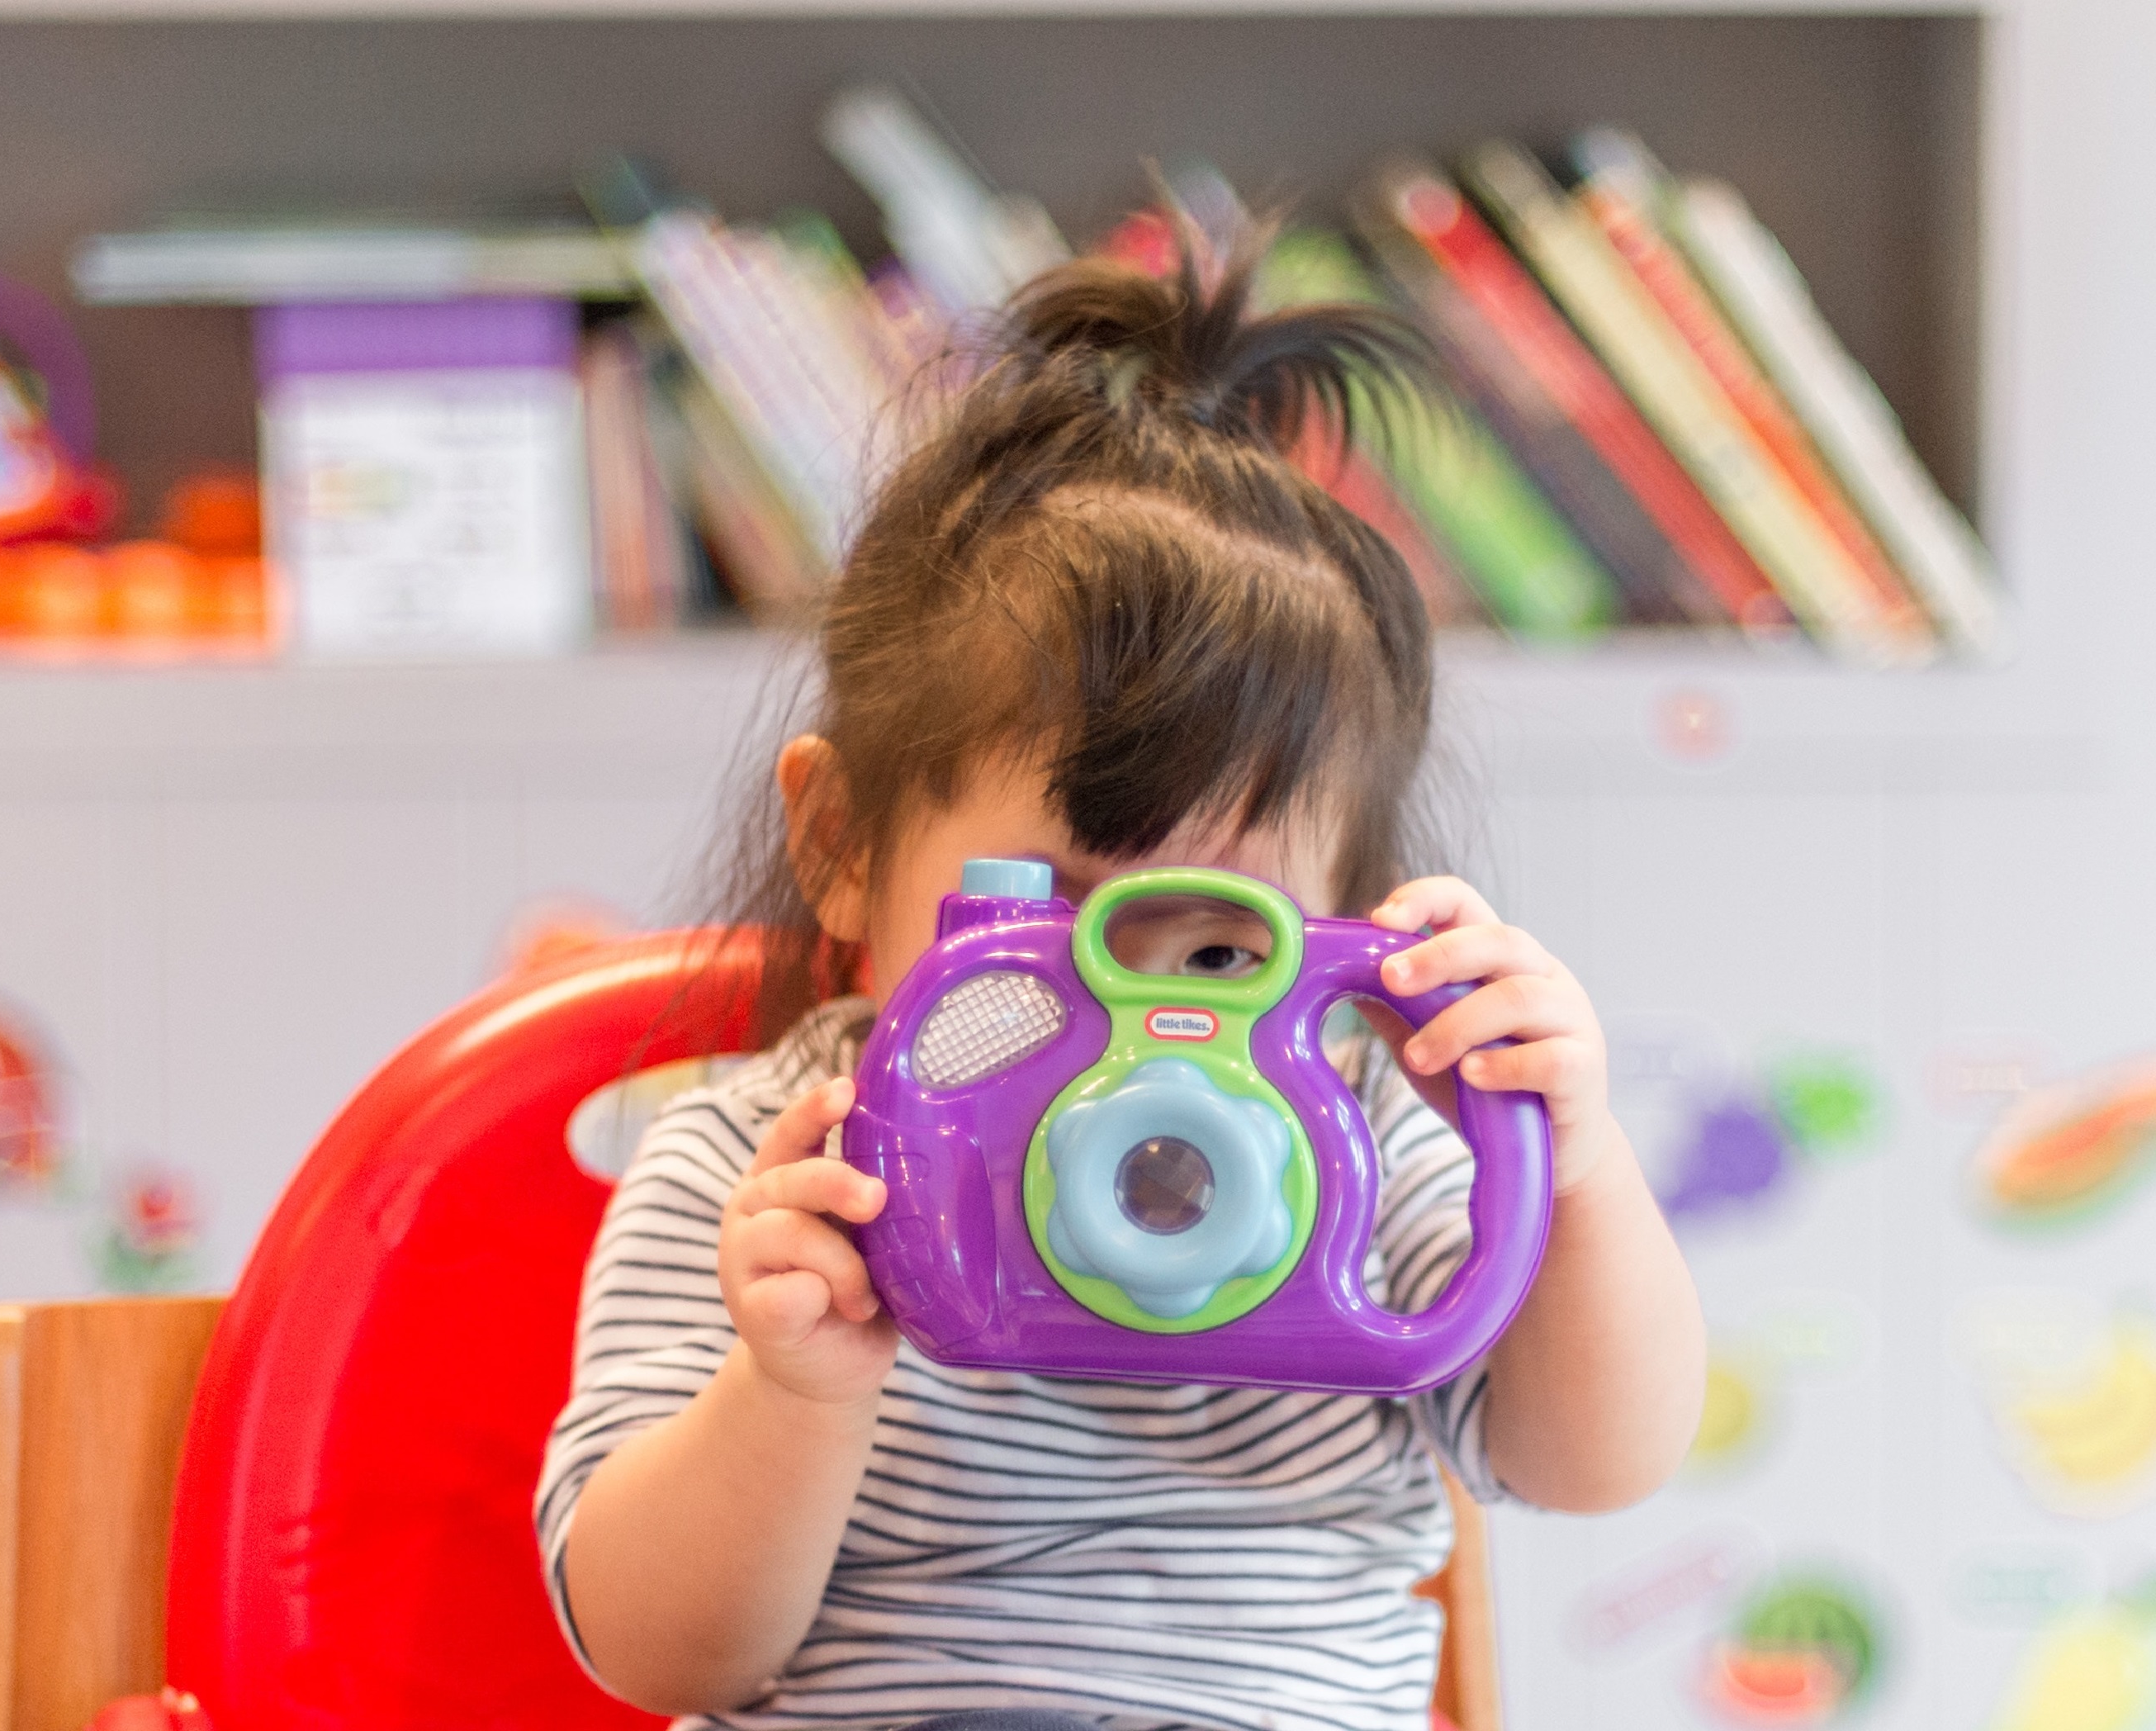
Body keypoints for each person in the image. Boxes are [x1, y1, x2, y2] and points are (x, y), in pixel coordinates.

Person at [535, 216, 1706, 1731]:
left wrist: (1578, 1162)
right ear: (839, 841)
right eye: (1047, 929)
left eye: (1226, 952)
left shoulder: (1348, 1149)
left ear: (1349, 931)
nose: (1135, 1033)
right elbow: (654, 1651)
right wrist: (795, 1391)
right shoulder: (766, 1180)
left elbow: (1592, 1461)